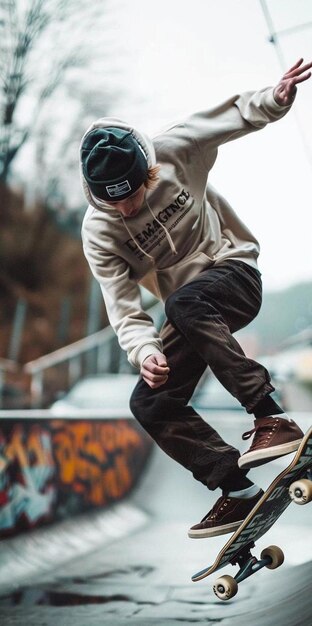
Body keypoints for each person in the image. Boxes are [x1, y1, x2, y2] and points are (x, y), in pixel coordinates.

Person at [80, 59, 311, 539]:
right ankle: (236, 488)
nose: (128, 207)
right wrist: (145, 351)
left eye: (134, 193)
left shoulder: (173, 150)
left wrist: (274, 98)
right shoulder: (99, 231)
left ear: (147, 167)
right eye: (114, 201)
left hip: (235, 273)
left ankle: (270, 415)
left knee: (182, 302)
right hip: (191, 312)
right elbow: (122, 303)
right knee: (150, 402)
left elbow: (226, 117)